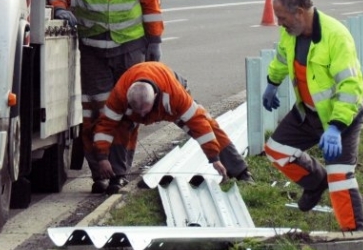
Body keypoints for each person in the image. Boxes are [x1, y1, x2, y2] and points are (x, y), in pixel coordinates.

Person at [49, 0, 165, 194]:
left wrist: (154, 40)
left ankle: (119, 172)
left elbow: (150, 1)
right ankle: (100, 172)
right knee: (96, 113)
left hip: (130, 46)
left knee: (128, 110)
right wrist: (60, 8)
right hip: (93, 48)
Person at [261, 0, 363, 232]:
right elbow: (280, 58)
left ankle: (354, 234)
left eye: (283, 18)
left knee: (340, 176)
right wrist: (272, 84)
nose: (280, 23)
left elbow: (351, 87)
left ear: (299, 12)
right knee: (276, 150)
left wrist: (336, 127)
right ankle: (315, 182)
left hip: (343, 115)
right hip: (309, 112)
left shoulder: (336, 37)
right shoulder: (291, 33)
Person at [92, 61, 254, 187]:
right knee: (120, 128)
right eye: (138, 112)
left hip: (171, 95)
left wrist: (214, 158)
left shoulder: (176, 96)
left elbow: (200, 126)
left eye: (145, 112)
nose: (142, 117)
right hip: (140, 93)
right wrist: (102, 158)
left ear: (156, 96)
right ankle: (117, 176)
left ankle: (240, 171)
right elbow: (105, 127)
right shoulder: (119, 95)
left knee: (209, 124)